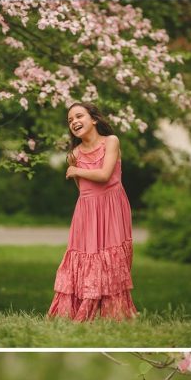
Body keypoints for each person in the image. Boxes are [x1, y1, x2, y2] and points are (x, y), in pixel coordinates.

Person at [48, 101, 137, 321]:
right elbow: (84, 190)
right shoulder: (74, 154)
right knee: (87, 256)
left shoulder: (111, 142)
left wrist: (76, 169)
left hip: (113, 206)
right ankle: (80, 310)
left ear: (94, 119)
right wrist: (75, 166)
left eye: (79, 116)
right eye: (70, 120)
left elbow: (105, 175)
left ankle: (115, 313)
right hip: (87, 210)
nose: (74, 122)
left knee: (111, 257)